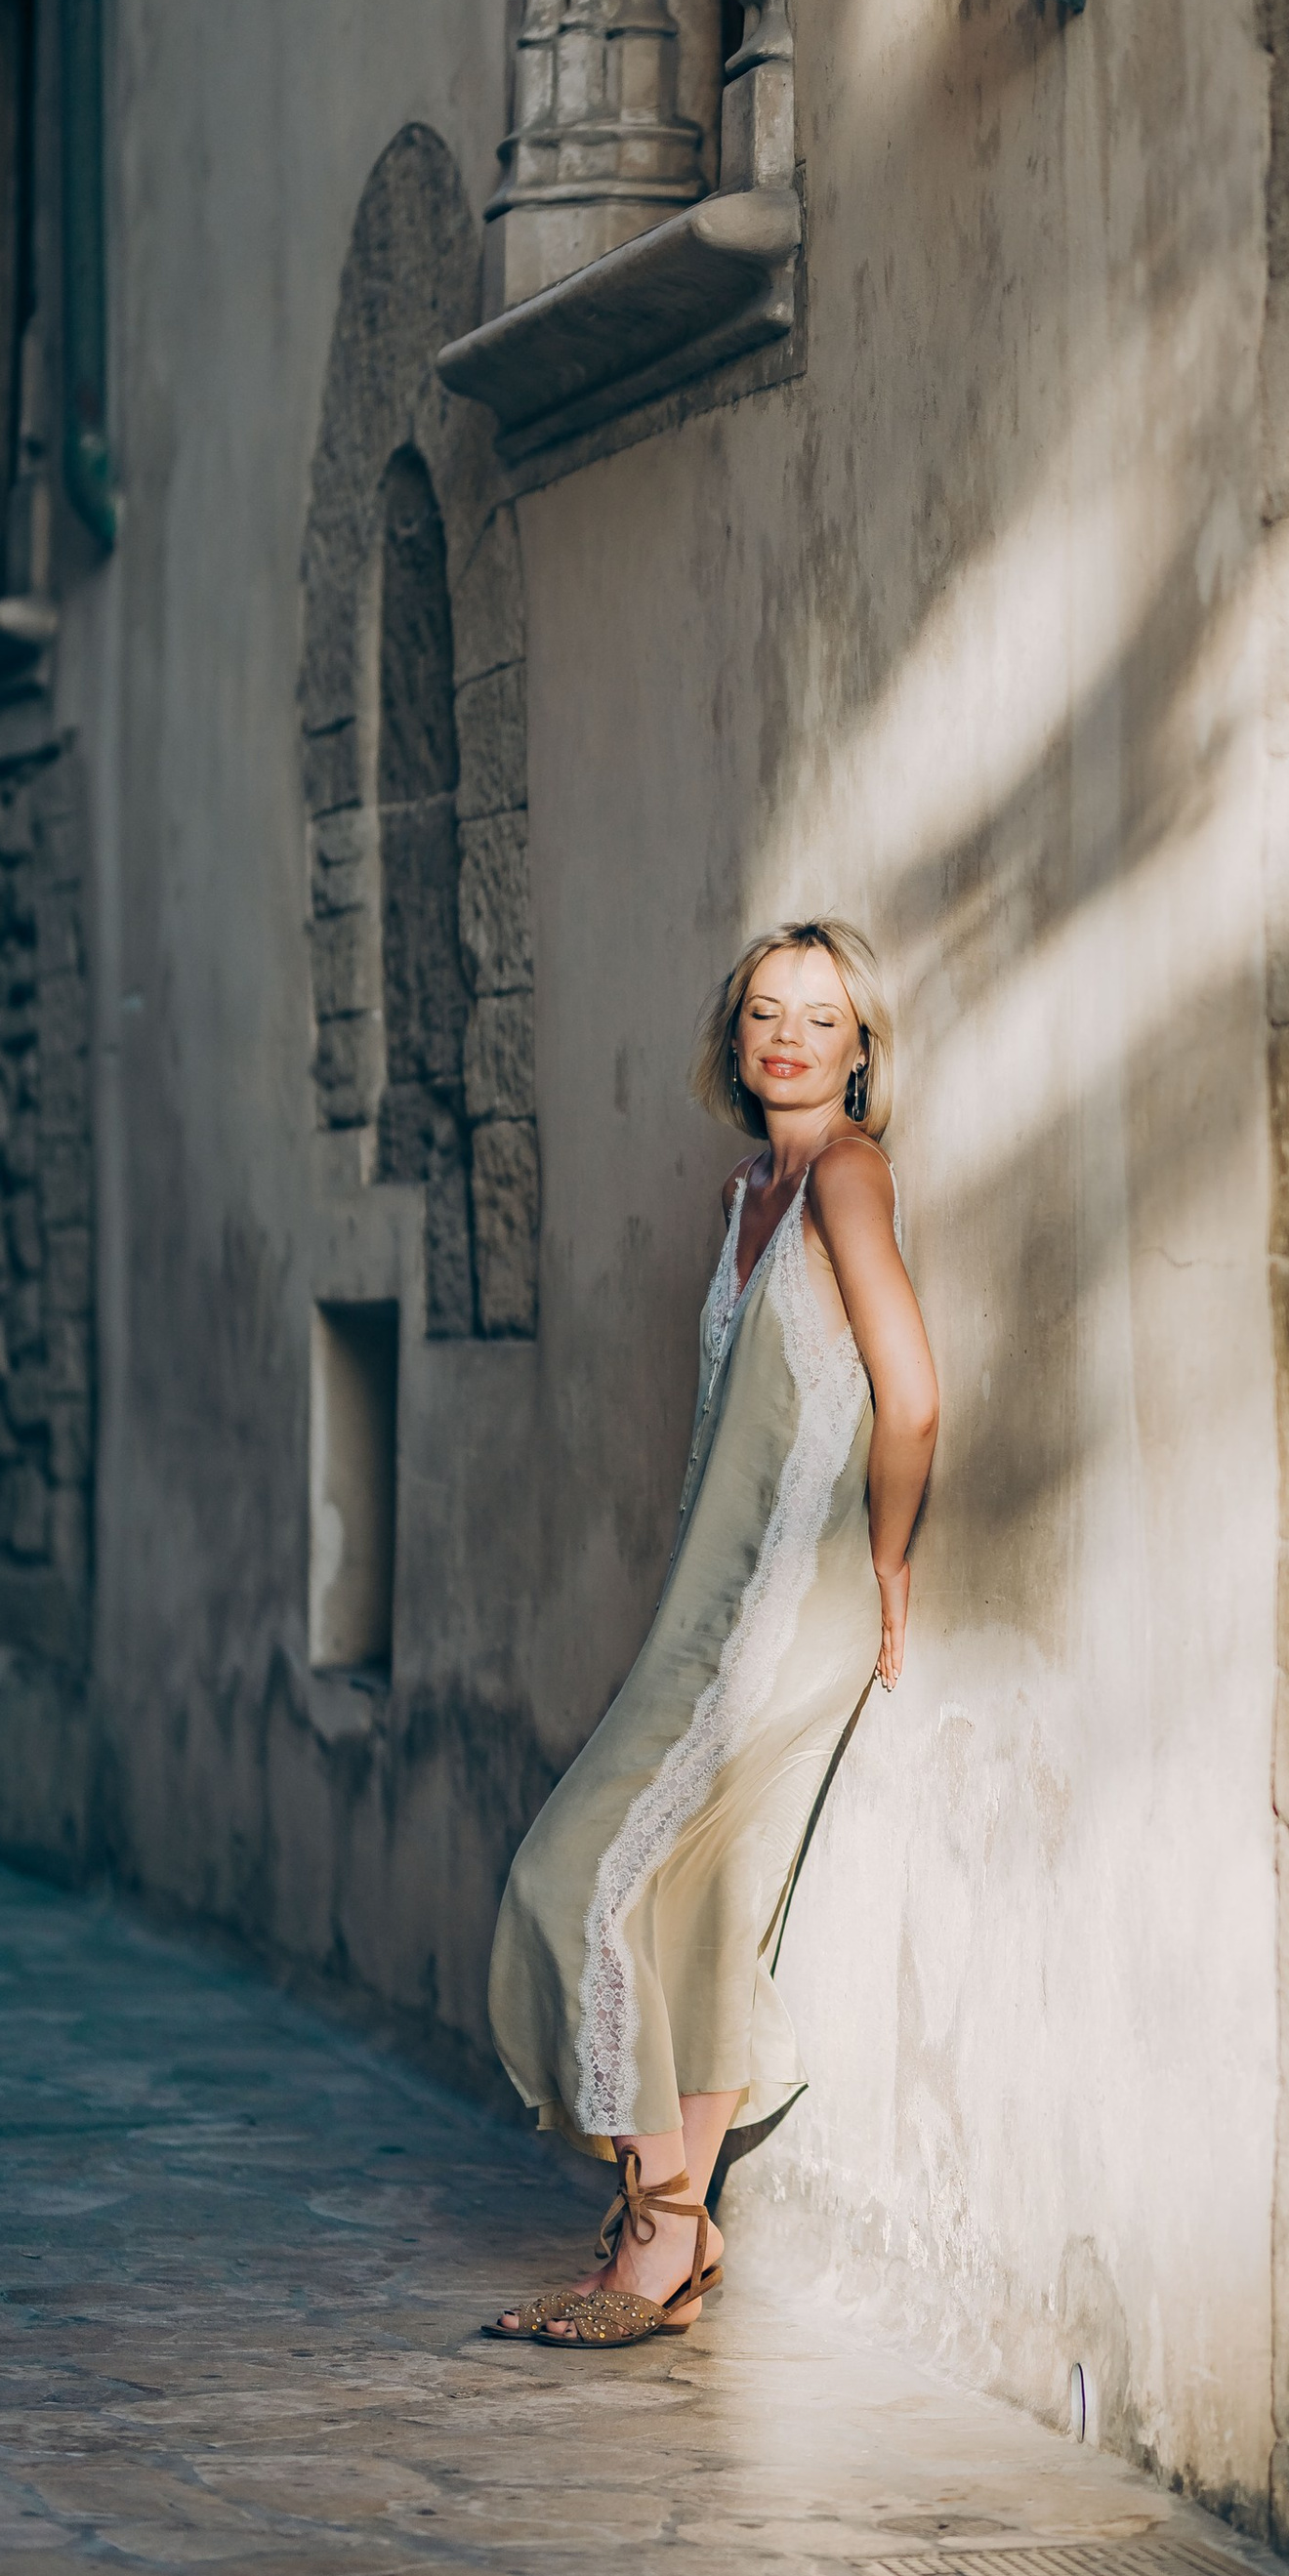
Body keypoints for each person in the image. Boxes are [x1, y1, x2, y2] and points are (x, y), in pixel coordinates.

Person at [484, 919, 938, 2346]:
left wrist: (888, 1561)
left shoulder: (848, 1178)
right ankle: (672, 2229)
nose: (788, 1035)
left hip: (785, 1618)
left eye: (820, 1015)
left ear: (861, 1048)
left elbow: (909, 1394)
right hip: (711, 1605)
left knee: (575, 1873)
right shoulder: (751, 1186)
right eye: (763, 1011)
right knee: (696, 1901)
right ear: (734, 1039)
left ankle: (663, 2219)